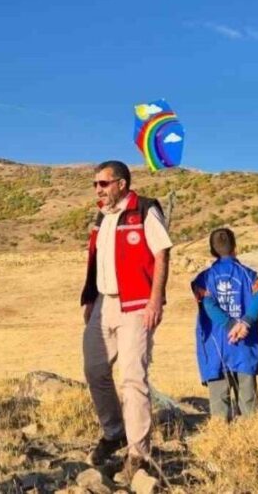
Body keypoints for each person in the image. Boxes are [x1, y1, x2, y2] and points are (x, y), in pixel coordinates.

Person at [80, 160, 172, 480]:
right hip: (104, 304)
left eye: (103, 184)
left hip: (136, 304)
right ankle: (114, 430)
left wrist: (155, 298)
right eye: (95, 185)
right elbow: (95, 262)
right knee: (95, 369)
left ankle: (139, 453)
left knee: (133, 377)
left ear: (121, 184)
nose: (98, 190)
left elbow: (162, 253)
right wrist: (89, 297)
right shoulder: (100, 218)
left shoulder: (145, 210)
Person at [191, 228, 258, 422]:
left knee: (218, 408)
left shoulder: (203, 279)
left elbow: (208, 303)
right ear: (235, 247)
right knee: (249, 406)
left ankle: (221, 441)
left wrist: (229, 324)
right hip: (244, 346)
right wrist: (244, 323)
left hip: (215, 347)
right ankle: (250, 444)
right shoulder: (249, 275)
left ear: (211, 251)